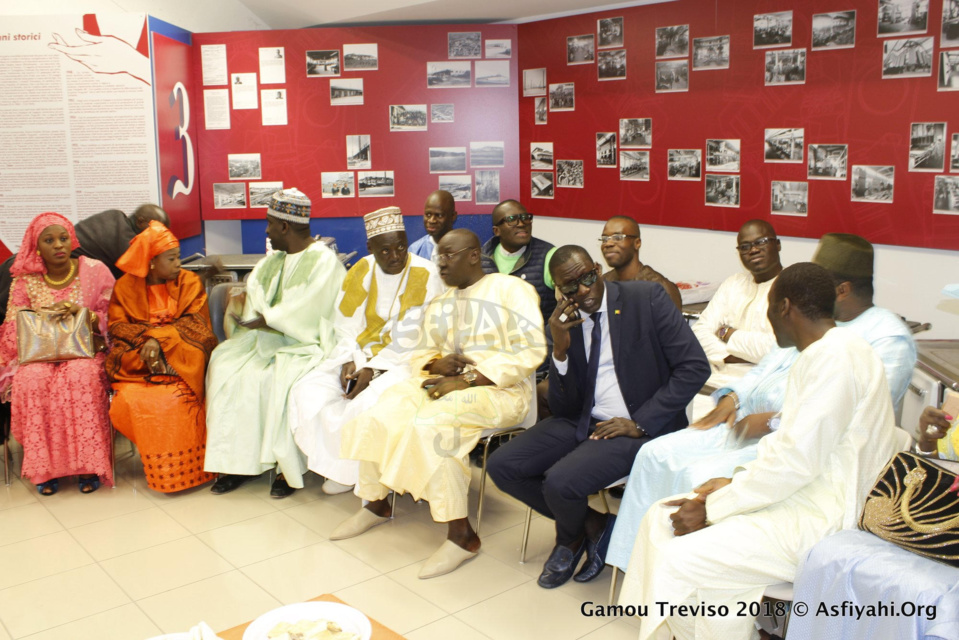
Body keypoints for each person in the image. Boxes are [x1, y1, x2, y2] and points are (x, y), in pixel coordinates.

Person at [620, 262, 901, 640]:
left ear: (784, 307)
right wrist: (734, 482)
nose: (768, 318)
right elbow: (792, 446)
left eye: (768, 308)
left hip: (821, 518)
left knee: (679, 557)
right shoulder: (829, 351)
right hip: (799, 494)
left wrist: (714, 507)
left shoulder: (834, 359)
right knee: (659, 516)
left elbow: (793, 464)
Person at [606, 232, 917, 572]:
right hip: (751, 424)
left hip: (796, 446)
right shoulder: (813, 325)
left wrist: (773, 421)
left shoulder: (883, 337)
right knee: (655, 453)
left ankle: (685, 571)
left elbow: (843, 422)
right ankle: (634, 562)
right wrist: (733, 397)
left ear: (840, 290)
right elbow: (769, 364)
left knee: (698, 477)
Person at [486, 245, 710, 589]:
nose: (584, 292)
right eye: (570, 288)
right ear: (559, 290)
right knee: (503, 465)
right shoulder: (566, 320)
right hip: (585, 419)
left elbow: (695, 367)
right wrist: (559, 351)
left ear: (597, 268)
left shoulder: (646, 298)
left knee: (561, 482)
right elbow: (563, 407)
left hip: (639, 427)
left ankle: (568, 540)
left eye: (588, 279)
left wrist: (642, 422)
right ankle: (594, 526)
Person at [332, 229, 546, 579]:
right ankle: (375, 503)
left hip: (501, 390)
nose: (440, 263)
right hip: (446, 384)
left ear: (474, 255)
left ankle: (462, 536)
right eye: (438, 257)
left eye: (448, 255)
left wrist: (467, 379)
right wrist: (436, 364)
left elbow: (530, 352)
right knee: (380, 410)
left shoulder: (511, 290)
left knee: (433, 427)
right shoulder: (441, 302)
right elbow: (421, 352)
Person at [288, 207, 445, 495]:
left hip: (404, 362)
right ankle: (335, 465)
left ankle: (354, 474)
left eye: (400, 247)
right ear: (371, 247)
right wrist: (350, 360)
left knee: (363, 404)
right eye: (385, 251)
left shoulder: (426, 273)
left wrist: (373, 369)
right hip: (359, 355)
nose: (396, 256)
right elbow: (345, 324)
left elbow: (415, 336)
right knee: (309, 389)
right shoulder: (362, 268)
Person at [203, 189, 345, 498]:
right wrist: (253, 314)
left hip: (307, 344)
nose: (266, 230)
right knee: (226, 367)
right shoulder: (272, 261)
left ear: (284, 226)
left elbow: (312, 307)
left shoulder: (324, 261)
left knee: (277, 380)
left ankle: (286, 468)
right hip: (263, 339)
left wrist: (270, 319)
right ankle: (236, 464)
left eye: (269, 224)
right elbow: (255, 292)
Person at [0, 213, 115, 495]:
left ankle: (87, 466)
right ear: (37, 246)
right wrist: (39, 320)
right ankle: (44, 470)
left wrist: (84, 314)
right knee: (33, 381)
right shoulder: (26, 280)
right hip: (38, 355)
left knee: (80, 377)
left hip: (84, 351)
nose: (58, 245)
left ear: (72, 240)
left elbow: (115, 313)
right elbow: (13, 325)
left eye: (63, 238)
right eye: (49, 240)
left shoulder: (94, 269)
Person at [106, 221, 217, 493]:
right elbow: (118, 327)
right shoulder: (124, 287)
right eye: (172, 258)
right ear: (152, 262)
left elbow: (197, 326)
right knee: (132, 401)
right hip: (138, 367)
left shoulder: (189, 282)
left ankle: (195, 471)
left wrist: (161, 338)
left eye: (178, 257)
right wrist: (148, 339)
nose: (179, 263)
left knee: (180, 399)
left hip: (182, 361)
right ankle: (161, 471)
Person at [0, 205, 170, 316]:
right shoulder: (123, 238)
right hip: (27, 271)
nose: (158, 236)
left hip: (25, 265)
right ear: (140, 222)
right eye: (157, 230)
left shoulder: (115, 215)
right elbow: (148, 275)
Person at [691, 219, 782, 389]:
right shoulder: (733, 284)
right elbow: (699, 332)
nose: (753, 250)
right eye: (745, 247)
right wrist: (727, 357)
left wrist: (726, 333)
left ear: (777, 245)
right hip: (713, 379)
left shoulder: (792, 288)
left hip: (761, 386)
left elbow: (776, 349)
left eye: (760, 242)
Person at [480, 199, 557, 332]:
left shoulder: (549, 255)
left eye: (525, 218)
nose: (521, 224)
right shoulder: (481, 259)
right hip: (492, 344)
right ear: (496, 231)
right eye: (511, 219)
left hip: (536, 344)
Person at [600, 216, 682, 310]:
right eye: (604, 239)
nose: (608, 243)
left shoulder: (660, 288)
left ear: (637, 243)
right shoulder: (604, 283)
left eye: (618, 238)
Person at [408, 190, 456, 261]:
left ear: (453, 216)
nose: (431, 220)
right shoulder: (415, 250)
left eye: (439, 215)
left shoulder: (464, 249)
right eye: (428, 215)